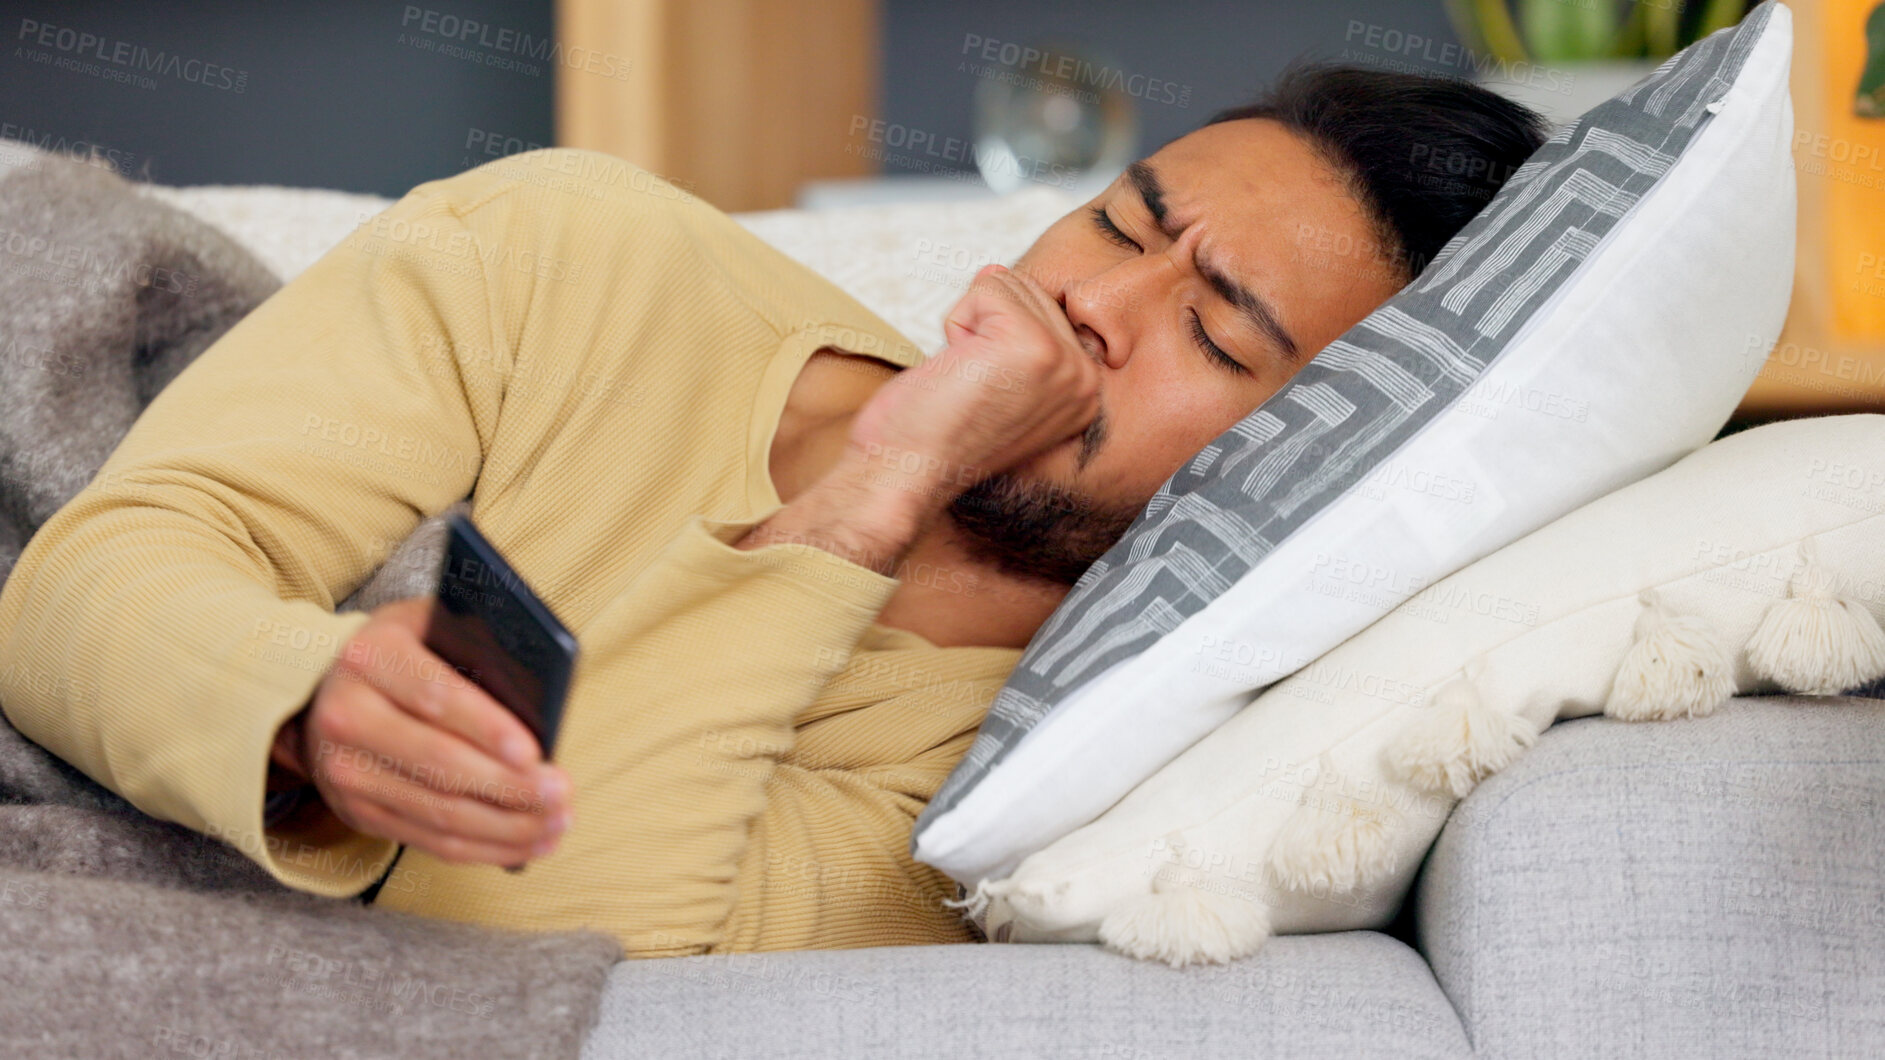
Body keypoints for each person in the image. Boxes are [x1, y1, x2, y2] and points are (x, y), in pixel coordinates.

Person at [0, 62, 1548, 957]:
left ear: (1315, 458)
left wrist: (885, 488)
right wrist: (297, 701)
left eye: (1214, 332)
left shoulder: (1018, 781)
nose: (1091, 302)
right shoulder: (577, 249)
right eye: (1121, 221)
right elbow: (96, 575)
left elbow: (538, 937)